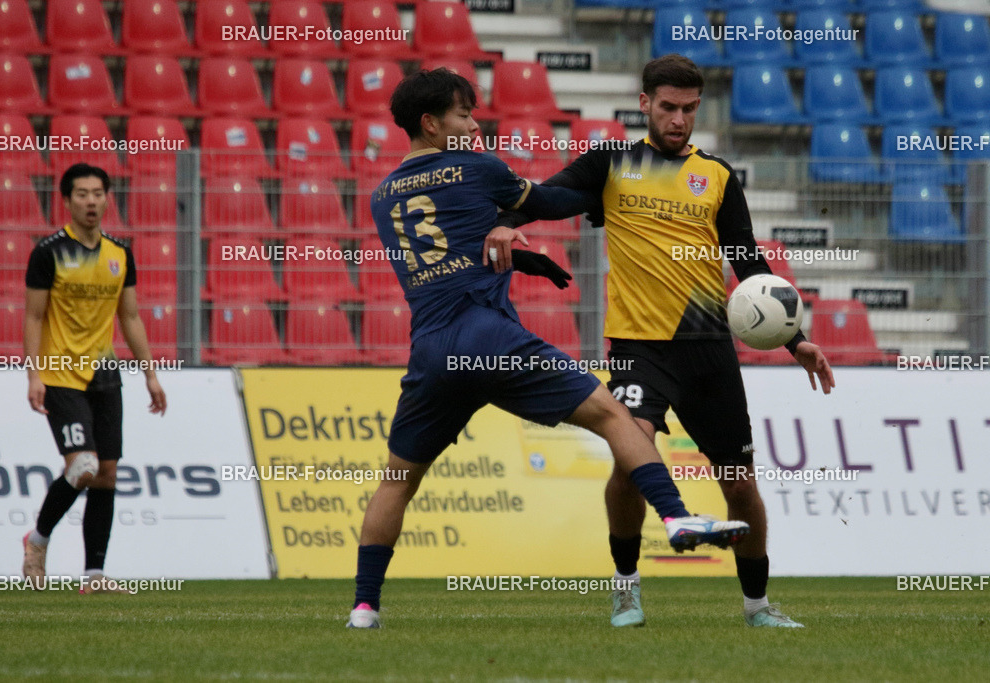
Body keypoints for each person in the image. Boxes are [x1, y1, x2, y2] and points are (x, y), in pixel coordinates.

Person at [346, 68, 751, 629]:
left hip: (432, 349)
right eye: (465, 115)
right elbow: (552, 200)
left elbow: (449, 255)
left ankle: (365, 607)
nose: (475, 123)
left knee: (398, 479)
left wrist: (524, 258)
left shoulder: (382, 196)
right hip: (487, 335)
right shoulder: (478, 166)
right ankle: (678, 517)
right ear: (432, 123)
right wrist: (612, 188)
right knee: (614, 415)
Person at [496, 54, 837, 629]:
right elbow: (552, 198)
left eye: (689, 109)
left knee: (739, 482)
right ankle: (626, 591)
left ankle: (757, 606)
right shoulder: (612, 164)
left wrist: (795, 339)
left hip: (707, 347)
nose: (679, 119)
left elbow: (748, 260)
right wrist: (509, 217)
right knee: (630, 463)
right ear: (644, 104)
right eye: (669, 107)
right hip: (637, 346)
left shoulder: (719, 177)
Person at [21, 163, 167, 592]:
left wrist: (151, 376)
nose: (90, 201)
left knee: (105, 474)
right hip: (61, 374)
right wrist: (33, 375)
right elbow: (32, 317)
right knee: (82, 466)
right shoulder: (48, 252)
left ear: (107, 199)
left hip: (105, 374)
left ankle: (94, 576)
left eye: (97, 193)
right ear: (66, 200)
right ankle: (37, 540)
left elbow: (132, 317)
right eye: (81, 193)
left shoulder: (119, 254)